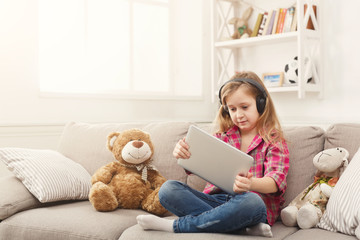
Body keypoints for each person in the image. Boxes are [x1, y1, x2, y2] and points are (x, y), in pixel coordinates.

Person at [136, 71, 290, 237]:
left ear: (261, 104)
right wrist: (184, 153)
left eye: (244, 107)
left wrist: (251, 184)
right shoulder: (223, 136)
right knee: (168, 189)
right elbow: (201, 164)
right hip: (216, 201)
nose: (238, 114)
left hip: (250, 204)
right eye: (232, 109)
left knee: (252, 201)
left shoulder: (274, 140)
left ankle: (177, 226)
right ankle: (239, 227)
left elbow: (275, 181)